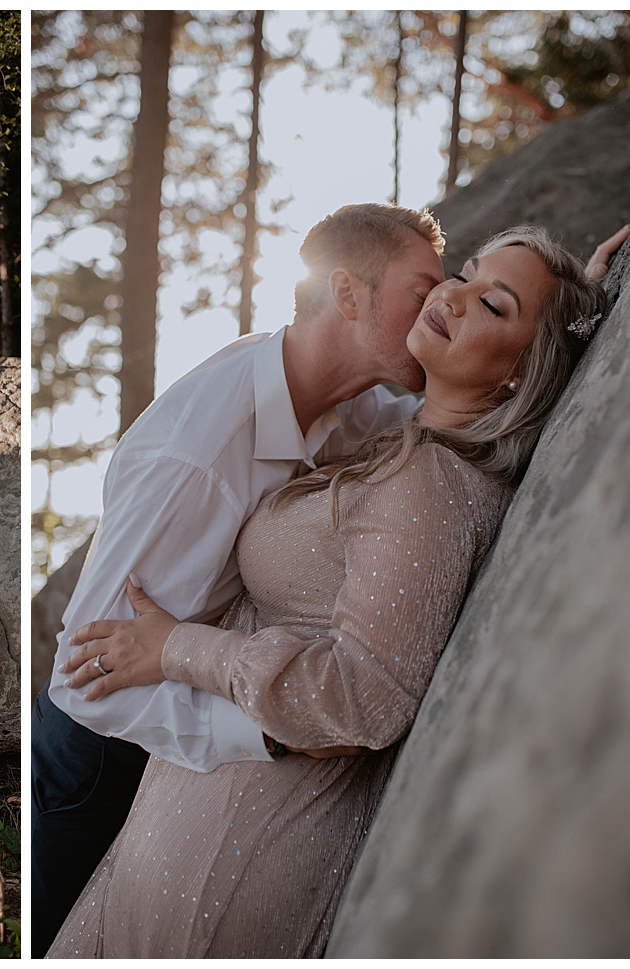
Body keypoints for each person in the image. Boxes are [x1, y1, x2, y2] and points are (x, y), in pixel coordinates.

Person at [46, 225, 618, 957]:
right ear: (344, 293)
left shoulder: (424, 475)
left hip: (231, 850)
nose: (450, 294)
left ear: (519, 371)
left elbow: (364, 692)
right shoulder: (230, 447)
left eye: (492, 302)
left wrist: (182, 650)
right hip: (132, 767)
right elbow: (85, 665)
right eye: (456, 276)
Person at [30, 202, 447, 953]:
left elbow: (436, 413)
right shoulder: (196, 456)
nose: (439, 310)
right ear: (346, 294)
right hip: (98, 752)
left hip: (181, 709)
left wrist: (559, 307)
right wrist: (271, 732)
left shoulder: (341, 397)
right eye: (423, 294)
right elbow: (77, 674)